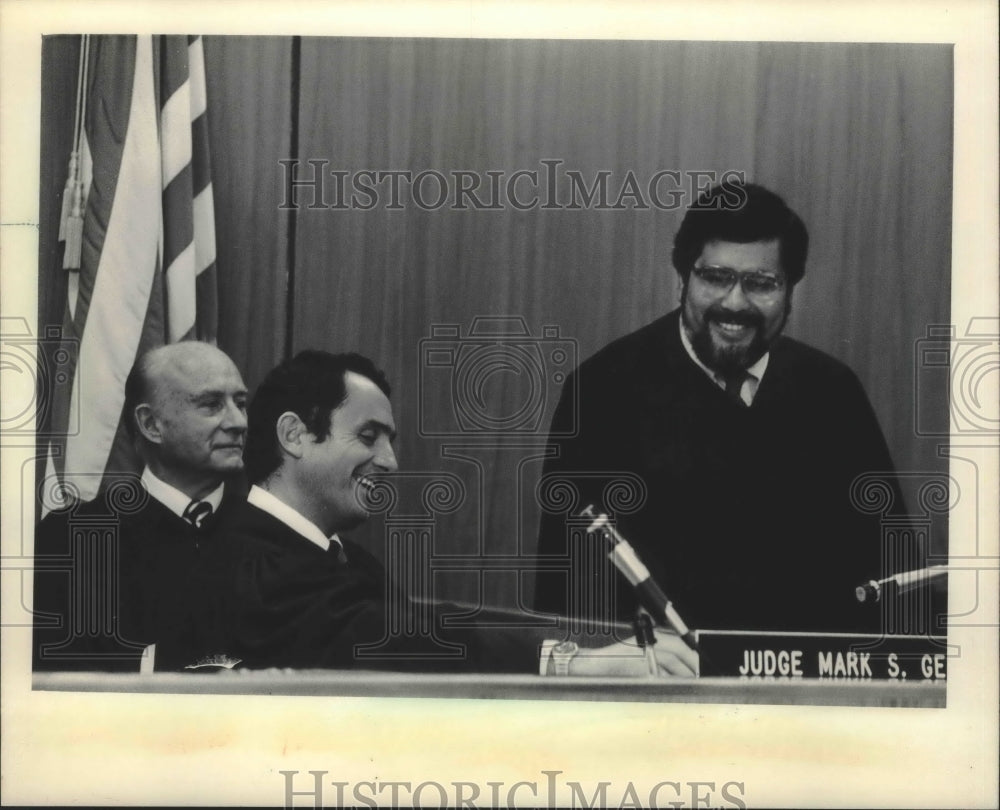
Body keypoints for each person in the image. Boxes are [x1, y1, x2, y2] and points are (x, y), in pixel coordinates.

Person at [165, 350, 697, 677]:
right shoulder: (238, 551)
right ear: (294, 435)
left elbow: (416, 628)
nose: (390, 462)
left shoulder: (349, 562)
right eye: (368, 437)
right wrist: (572, 661)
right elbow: (387, 639)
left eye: (389, 441)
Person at [534, 181, 905, 634]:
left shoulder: (834, 394)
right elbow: (566, 603)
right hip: (656, 691)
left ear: (791, 291)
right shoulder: (601, 392)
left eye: (761, 284)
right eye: (715, 278)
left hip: (800, 693)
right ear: (683, 278)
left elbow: (891, 585)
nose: (734, 303)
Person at [32, 341, 249, 671]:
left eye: (241, 403)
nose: (238, 422)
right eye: (211, 404)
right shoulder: (71, 540)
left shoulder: (274, 530)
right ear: (151, 425)